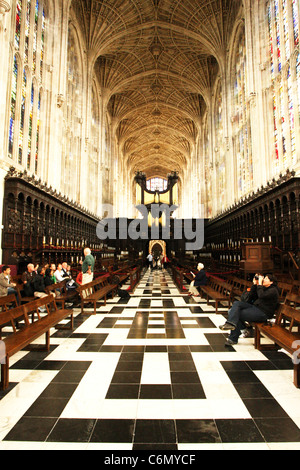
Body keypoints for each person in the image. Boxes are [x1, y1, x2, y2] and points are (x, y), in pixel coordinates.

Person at [219, 273, 280, 346]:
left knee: (235, 313)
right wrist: (255, 284)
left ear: (271, 282)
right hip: (256, 308)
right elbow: (250, 297)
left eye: (266, 279)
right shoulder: (263, 288)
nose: (263, 280)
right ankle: (232, 325)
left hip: (263, 313)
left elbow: (261, 295)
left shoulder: (273, 290)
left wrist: (259, 284)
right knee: (236, 304)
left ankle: (233, 337)